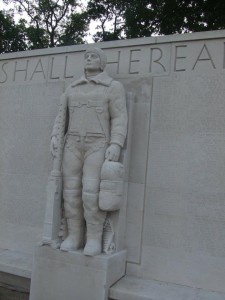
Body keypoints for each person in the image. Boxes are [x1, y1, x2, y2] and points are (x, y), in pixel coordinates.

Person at [51, 47, 127, 256]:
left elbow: (119, 117)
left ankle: (93, 239)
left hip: (98, 145)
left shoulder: (112, 87)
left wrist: (116, 143)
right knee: (71, 192)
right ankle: (74, 236)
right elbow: (61, 117)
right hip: (72, 145)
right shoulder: (72, 88)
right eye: (86, 57)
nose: (89, 59)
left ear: (102, 62)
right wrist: (55, 137)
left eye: (93, 56)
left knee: (91, 194)